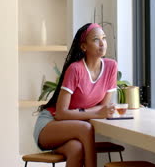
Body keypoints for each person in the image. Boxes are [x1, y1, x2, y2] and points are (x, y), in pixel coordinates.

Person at [33, 23, 117, 167]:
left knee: (76, 149)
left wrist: (96, 112)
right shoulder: (75, 69)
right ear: (84, 46)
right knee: (86, 128)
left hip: (73, 128)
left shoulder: (111, 67)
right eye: (96, 40)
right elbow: (60, 113)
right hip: (50, 124)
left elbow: (102, 108)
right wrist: (96, 113)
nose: (102, 43)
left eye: (104, 38)